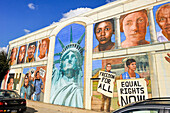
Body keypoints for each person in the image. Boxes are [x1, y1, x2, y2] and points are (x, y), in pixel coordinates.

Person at [51, 43, 84, 108]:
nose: (69, 60)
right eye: (66, 57)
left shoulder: (79, 91)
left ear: (78, 64)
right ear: (61, 64)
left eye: (73, 57)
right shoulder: (55, 80)